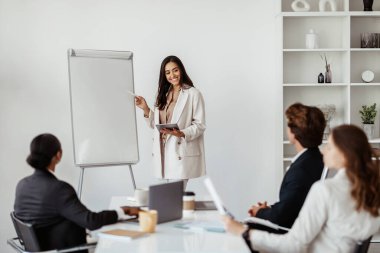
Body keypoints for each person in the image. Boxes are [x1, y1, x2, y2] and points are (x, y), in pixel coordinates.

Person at [224, 124, 380, 252]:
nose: (324, 150)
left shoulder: (325, 190)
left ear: (345, 154)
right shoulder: (371, 192)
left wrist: (245, 233)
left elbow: (293, 245)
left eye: (330, 147)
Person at [14, 133, 140, 252]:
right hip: (67, 250)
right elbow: (91, 221)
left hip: (45, 249)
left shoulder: (22, 185)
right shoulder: (59, 189)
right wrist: (123, 211)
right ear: (59, 155)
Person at [248, 103, 326, 233]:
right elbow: (294, 204)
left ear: (294, 132)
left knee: (241, 229)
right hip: (302, 228)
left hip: (291, 234)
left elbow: (282, 217)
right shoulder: (316, 159)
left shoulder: (301, 170)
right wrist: (268, 210)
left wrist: (260, 212)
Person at [135, 55, 206, 189]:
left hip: (179, 152)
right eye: (167, 72)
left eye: (175, 70)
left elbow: (200, 125)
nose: (172, 75)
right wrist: (145, 108)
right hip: (162, 153)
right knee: (166, 199)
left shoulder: (193, 94)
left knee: (176, 197)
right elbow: (155, 125)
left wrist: (182, 133)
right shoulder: (163, 94)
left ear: (181, 71)